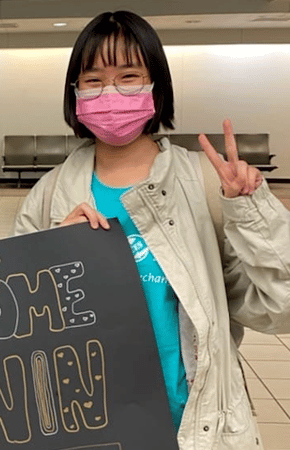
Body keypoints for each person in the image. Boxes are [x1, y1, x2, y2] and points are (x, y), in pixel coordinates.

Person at [14, 11, 290, 450]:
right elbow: (20, 325)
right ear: (75, 94)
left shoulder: (205, 185)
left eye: (129, 76)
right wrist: (54, 254)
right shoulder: (50, 196)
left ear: (157, 89)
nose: (111, 92)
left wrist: (250, 211)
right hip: (89, 425)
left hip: (193, 426)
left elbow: (278, 311)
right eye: (93, 80)